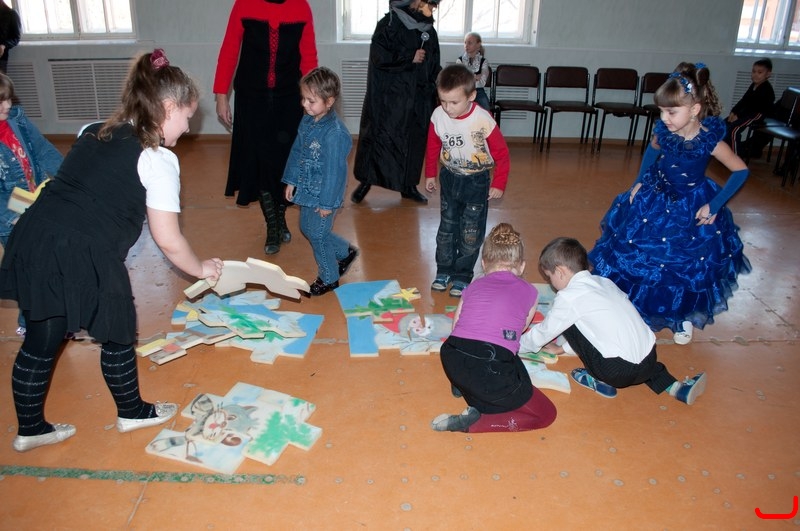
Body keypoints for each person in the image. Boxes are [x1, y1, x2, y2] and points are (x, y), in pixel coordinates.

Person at [0, 49, 224, 452]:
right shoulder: (157, 159)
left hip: (36, 238)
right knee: (118, 334)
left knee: (41, 339)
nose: (189, 126)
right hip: (86, 251)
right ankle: (132, 412)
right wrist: (201, 268)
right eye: (187, 116)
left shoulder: (94, 130)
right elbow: (168, 240)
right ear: (168, 108)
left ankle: (30, 430)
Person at [588, 62, 751, 345]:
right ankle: (635, 307)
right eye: (661, 111)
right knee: (644, 254)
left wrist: (715, 205)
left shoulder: (710, 141)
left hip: (691, 207)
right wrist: (639, 182)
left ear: (695, 109)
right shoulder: (664, 133)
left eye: (671, 112)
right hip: (655, 197)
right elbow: (652, 153)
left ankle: (681, 316)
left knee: (683, 264)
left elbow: (740, 171)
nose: (664, 118)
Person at [520, 237, 707, 404]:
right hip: (650, 359)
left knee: (565, 319)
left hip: (615, 372)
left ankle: (595, 378)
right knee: (632, 352)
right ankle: (676, 388)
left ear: (560, 271)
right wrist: (562, 349)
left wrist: (514, 345)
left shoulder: (569, 297)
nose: (551, 282)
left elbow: (545, 332)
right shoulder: (605, 283)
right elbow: (601, 329)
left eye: (549, 277)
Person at [214, 0, 318, 255]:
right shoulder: (244, 4)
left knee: (285, 163)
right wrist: (221, 95)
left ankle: (280, 216)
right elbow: (229, 48)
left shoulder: (301, 7)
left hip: (290, 98)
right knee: (258, 162)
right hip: (251, 98)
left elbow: (309, 56)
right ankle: (272, 223)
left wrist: (313, 100)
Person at [432, 223, 557, 433]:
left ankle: (462, 386)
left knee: (479, 360)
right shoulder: (530, 292)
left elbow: (456, 327)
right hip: (491, 364)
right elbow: (519, 330)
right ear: (522, 266)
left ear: (483, 263)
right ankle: (475, 424)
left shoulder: (472, 287)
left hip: (453, 357)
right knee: (546, 414)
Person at [425, 63, 510, 297]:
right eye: (443, 101)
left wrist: (499, 183)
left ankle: (462, 275)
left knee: (470, 231)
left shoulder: (483, 119)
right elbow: (432, 146)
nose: (448, 108)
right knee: (447, 228)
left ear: (471, 96)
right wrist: (430, 173)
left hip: (476, 181)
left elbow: (502, 154)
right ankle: (444, 270)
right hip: (449, 178)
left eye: (454, 102)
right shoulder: (438, 115)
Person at [351, 0, 441, 205]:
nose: (432, 9)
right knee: (379, 140)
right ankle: (366, 182)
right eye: (430, 4)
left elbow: (433, 63)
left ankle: (408, 186)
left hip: (418, 98)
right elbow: (379, 57)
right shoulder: (389, 24)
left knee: (413, 143)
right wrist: (409, 57)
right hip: (390, 98)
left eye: (434, 6)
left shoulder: (429, 31)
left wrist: (442, 83)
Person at [282, 67, 358, 296]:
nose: (305, 104)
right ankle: (344, 252)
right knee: (306, 228)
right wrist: (292, 180)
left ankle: (329, 277)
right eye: (303, 98)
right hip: (307, 187)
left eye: (311, 101)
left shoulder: (334, 134)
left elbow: (335, 173)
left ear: (329, 101)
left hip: (324, 193)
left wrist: (327, 204)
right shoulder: (307, 120)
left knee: (317, 234)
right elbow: (297, 151)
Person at [0, 73, 64, 337]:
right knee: (28, 269)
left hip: (33, 202)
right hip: (9, 217)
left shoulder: (16, 119)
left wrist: (68, 180)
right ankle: (30, 324)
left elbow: (43, 151)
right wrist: (12, 217)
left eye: (8, 99)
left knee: (49, 261)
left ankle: (52, 316)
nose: (7, 105)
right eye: (0, 101)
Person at [724, 58, 774, 156]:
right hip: (747, 113)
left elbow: (754, 107)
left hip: (758, 114)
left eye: (759, 72)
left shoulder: (766, 89)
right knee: (724, 124)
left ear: (768, 74)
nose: (755, 74)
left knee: (734, 130)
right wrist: (733, 112)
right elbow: (744, 101)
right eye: (754, 71)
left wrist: (738, 116)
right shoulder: (753, 85)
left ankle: (735, 156)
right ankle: (725, 151)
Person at [456, 32, 490, 111]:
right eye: (465, 43)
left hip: (478, 91)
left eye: (470, 43)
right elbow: (461, 79)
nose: (466, 45)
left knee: (485, 107)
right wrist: (475, 77)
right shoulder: (460, 60)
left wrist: (469, 77)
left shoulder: (484, 61)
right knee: (458, 107)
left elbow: (483, 80)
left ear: (478, 44)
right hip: (463, 91)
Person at [0, 1, 21, 73]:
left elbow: (16, 38)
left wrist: (3, 45)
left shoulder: (12, 14)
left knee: (2, 79)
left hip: (1, 57)